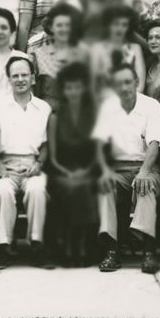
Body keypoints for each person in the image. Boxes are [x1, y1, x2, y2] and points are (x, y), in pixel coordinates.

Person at [93, 62, 160, 274]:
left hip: (146, 165)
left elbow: (154, 143)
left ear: (136, 82)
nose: (124, 87)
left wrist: (144, 172)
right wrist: (105, 170)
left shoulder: (151, 105)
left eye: (128, 82)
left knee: (146, 186)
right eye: (118, 83)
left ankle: (148, 251)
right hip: (117, 168)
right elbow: (99, 145)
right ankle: (112, 250)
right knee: (105, 186)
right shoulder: (107, 107)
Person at [0, 56, 53, 268]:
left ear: (33, 78)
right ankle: (4, 246)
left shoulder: (43, 108)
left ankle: (36, 245)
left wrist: (39, 164)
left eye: (24, 75)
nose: (20, 79)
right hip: (5, 165)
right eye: (15, 75)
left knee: (38, 189)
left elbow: (45, 144)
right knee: (1, 191)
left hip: (32, 166)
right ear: (8, 79)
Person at [46, 62, 99, 267]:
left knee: (83, 185)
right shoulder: (55, 116)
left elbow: (97, 152)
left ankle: (79, 243)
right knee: (72, 186)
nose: (73, 91)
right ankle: (71, 244)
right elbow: (53, 156)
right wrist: (67, 172)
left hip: (88, 169)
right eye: (69, 87)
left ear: (83, 88)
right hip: (61, 170)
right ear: (63, 90)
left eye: (77, 87)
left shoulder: (93, 115)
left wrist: (86, 170)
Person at [29, 2, 88, 110]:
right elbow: (33, 93)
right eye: (59, 25)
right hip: (48, 114)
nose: (64, 29)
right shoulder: (38, 55)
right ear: (51, 27)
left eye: (68, 25)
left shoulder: (84, 54)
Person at [90, 5, 145, 97]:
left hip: (132, 98)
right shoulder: (97, 48)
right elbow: (93, 81)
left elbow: (140, 83)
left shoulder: (135, 48)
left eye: (124, 25)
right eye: (116, 24)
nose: (120, 28)